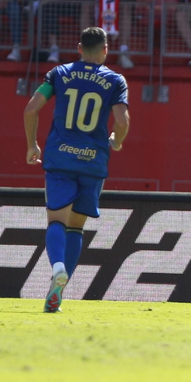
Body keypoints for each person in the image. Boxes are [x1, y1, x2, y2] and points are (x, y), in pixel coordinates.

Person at [22, 26, 131, 313]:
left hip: (60, 158)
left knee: (56, 221)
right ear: (105, 50)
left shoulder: (59, 73)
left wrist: (32, 145)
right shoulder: (115, 80)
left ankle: (57, 266)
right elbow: (122, 121)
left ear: (79, 48)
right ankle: (59, 288)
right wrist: (117, 141)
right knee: (76, 227)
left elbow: (31, 109)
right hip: (93, 162)